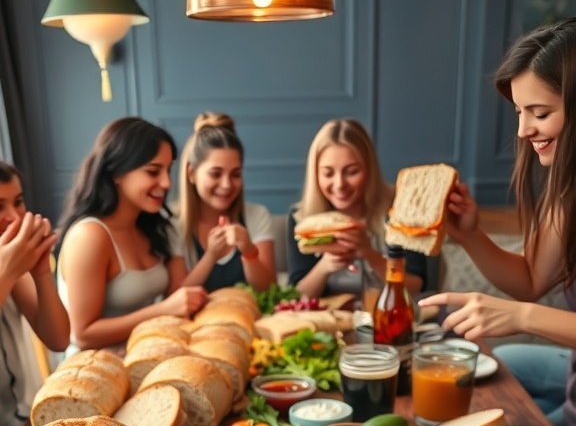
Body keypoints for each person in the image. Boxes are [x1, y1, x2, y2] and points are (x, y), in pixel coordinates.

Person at [419, 18, 576, 426]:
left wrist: (521, 318)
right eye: (520, 113)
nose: (524, 131)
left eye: (540, 113)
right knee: (497, 373)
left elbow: (525, 305)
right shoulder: (566, 192)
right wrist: (471, 235)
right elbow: (530, 281)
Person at [56, 117, 208, 354]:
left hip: (146, 356)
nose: (167, 182)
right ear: (117, 172)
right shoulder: (90, 236)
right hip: (95, 373)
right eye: (153, 171)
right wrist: (162, 310)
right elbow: (83, 334)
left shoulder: (156, 227)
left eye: (168, 170)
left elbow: (178, 298)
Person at [286, 118, 427, 300]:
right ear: (315, 174)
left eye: (351, 171)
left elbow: (416, 287)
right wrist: (326, 266)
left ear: (369, 169)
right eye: (328, 173)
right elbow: (295, 298)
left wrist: (370, 255)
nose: (339, 184)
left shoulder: (402, 208)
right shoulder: (301, 218)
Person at [0, 161, 69, 426]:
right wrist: (7, 271)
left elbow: (58, 339)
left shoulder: (12, 266)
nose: (14, 218)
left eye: (18, 202)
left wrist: (40, 271)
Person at [178, 112, 276, 293]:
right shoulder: (174, 223)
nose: (226, 185)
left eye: (235, 174)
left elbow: (269, 291)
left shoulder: (257, 215)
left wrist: (248, 251)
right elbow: (174, 298)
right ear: (191, 173)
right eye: (216, 174)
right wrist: (210, 256)